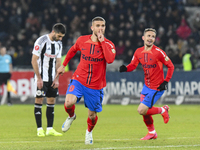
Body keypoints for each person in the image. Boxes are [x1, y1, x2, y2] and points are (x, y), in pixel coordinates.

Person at [54, 16, 116, 144]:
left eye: (102, 26)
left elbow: (110, 60)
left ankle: (89, 132)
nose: (100, 28)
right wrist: (63, 65)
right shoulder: (82, 40)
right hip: (79, 79)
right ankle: (71, 116)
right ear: (92, 27)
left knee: (92, 116)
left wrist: (102, 41)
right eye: (97, 26)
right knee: (69, 102)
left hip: (95, 85)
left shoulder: (109, 44)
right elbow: (72, 50)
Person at [119, 28, 174, 140]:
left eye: (153, 36)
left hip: (157, 87)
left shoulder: (159, 52)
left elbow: (171, 66)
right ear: (143, 38)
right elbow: (133, 65)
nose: (150, 38)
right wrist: (125, 68)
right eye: (148, 36)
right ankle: (152, 133)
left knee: (141, 110)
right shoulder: (138, 52)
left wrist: (166, 81)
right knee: (145, 113)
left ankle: (163, 110)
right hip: (147, 86)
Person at [31, 23, 66, 137]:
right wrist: (39, 78)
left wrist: (56, 79)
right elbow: (34, 60)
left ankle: (50, 128)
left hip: (52, 78)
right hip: (41, 78)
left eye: (62, 37)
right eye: (59, 36)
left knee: (51, 101)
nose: (60, 39)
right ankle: (39, 129)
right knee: (39, 100)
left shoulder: (59, 44)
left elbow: (58, 61)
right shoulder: (41, 41)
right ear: (53, 32)